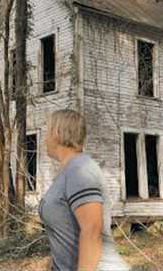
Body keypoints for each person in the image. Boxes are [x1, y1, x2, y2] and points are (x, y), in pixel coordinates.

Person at [40, 109, 131, 271]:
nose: (44, 139)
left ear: (57, 132)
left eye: (46, 132)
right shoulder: (69, 170)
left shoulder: (79, 170)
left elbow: (91, 230)